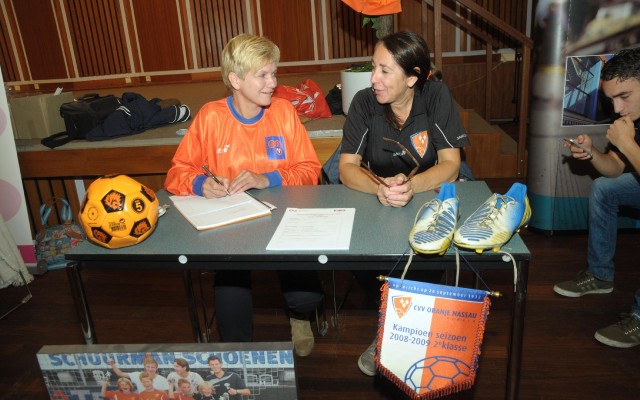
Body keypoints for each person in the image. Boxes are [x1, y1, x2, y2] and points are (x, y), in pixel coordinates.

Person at [164, 33, 324, 357]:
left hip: (285, 220)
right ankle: (241, 356)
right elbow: (177, 172)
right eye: (263, 75)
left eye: (274, 73)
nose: (272, 83)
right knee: (231, 305)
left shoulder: (283, 111)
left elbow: (310, 169)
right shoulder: (210, 116)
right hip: (232, 228)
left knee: (306, 298)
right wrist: (201, 184)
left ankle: (299, 317)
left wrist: (268, 178)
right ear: (235, 80)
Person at [338, 30, 470, 375]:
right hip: (377, 197)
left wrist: (410, 185)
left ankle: (403, 334)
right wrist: (380, 188)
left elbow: (451, 164)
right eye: (373, 67)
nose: (373, 78)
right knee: (366, 260)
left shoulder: (437, 96)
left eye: (384, 70)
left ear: (413, 78)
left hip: (426, 192)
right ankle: (391, 326)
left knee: (425, 259)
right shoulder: (364, 102)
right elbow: (347, 168)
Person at [554, 47, 640, 348]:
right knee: (604, 188)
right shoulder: (632, 116)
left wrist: (628, 144)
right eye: (611, 99)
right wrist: (592, 153)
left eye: (624, 96)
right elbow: (615, 168)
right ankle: (600, 276)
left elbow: (628, 152)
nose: (617, 108)